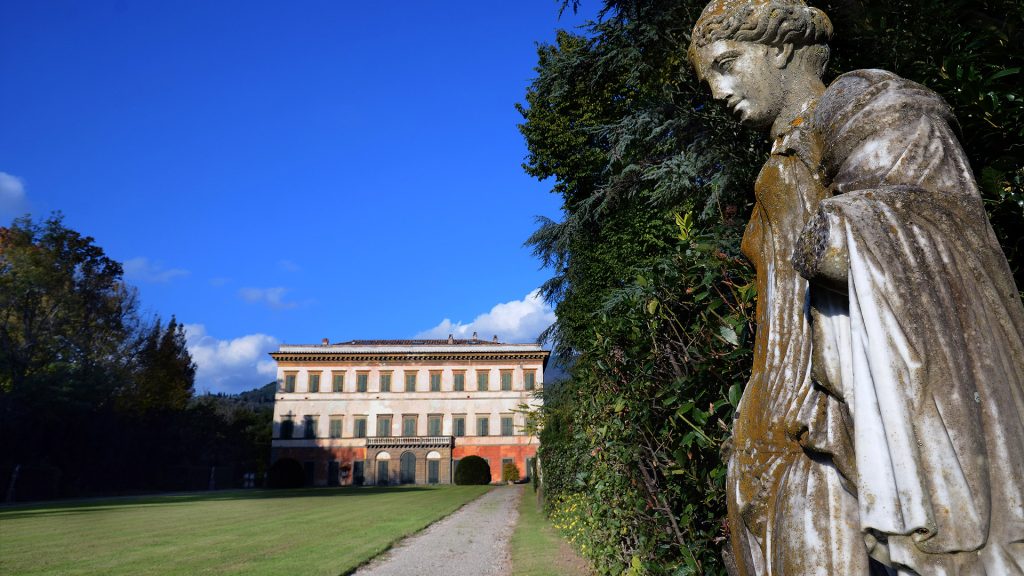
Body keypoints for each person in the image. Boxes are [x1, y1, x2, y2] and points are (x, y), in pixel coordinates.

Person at [689, 1, 1024, 574]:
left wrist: (842, 232)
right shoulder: (777, 161)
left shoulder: (865, 105)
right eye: (708, 78)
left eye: (727, 63)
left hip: (833, 420)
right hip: (769, 420)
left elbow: (945, 225)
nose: (718, 92)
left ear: (779, 47)